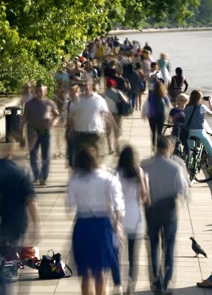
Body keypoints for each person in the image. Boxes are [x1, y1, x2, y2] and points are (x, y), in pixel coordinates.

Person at [67, 146, 124, 295]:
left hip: (82, 224)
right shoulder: (107, 178)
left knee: (86, 272)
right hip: (102, 225)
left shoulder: (75, 180)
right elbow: (118, 203)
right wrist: (117, 223)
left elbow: (69, 207)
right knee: (101, 270)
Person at [141, 136, 190, 294]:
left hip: (151, 209)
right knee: (169, 246)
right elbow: (184, 190)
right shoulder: (175, 167)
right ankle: (167, 282)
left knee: (153, 245)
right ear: (169, 148)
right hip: (169, 209)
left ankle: (157, 282)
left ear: (157, 147)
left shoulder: (145, 165)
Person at [0, 144, 39, 295]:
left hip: (5, 219)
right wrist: (37, 225)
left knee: (7, 255)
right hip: (19, 221)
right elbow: (31, 201)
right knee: (13, 254)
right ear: (12, 153)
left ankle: (4, 289)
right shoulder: (22, 173)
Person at [115, 146, 150, 295]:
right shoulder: (140, 173)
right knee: (132, 256)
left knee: (117, 254)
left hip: (120, 216)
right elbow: (145, 197)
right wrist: (142, 178)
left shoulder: (116, 173)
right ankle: (131, 286)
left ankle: (118, 285)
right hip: (135, 216)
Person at [20, 82, 60, 185]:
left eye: (41, 91)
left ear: (45, 92)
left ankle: (44, 177)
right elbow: (24, 119)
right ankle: (36, 175)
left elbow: (57, 115)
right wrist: (21, 134)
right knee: (33, 155)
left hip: (45, 132)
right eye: (37, 91)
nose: (39, 93)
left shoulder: (49, 103)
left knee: (45, 156)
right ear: (34, 91)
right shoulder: (29, 104)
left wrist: (53, 122)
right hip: (33, 132)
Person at [183, 90, 212, 177]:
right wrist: (210, 103)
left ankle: (190, 173)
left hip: (189, 133)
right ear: (200, 98)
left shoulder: (186, 107)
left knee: (191, 153)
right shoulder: (202, 107)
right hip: (200, 133)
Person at [67, 77, 111, 157]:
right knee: (81, 157)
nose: (85, 88)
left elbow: (105, 115)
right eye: (83, 86)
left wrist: (106, 127)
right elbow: (70, 116)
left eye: (87, 85)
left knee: (94, 157)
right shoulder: (77, 100)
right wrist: (70, 128)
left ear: (91, 86)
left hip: (94, 133)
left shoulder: (99, 100)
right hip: (80, 133)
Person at [143, 82, 170, 153]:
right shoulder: (164, 96)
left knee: (153, 132)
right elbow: (168, 105)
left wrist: (146, 114)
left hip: (152, 116)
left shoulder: (151, 95)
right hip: (161, 116)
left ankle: (153, 146)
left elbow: (147, 104)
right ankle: (159, 146)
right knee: (160, 132)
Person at [103, 78, 125, 155]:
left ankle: (110, 148)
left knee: (108, 131)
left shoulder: (104, 94)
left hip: (107, 114)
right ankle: (117, 148)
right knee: (117, 131)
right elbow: (125, 100)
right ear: (114, 85)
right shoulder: (117, 92)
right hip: (116, 114)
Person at [65, 83, 80, 169]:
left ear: (78, 92)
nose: (72, 94)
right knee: (71, 152)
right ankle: (72, 167)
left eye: (74, 92)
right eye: (71, 92)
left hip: (80, 130)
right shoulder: (68, 104)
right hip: (70, 131)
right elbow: (65, 117)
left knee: (78, 152)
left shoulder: (82, 103)